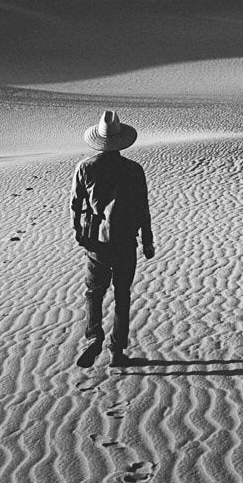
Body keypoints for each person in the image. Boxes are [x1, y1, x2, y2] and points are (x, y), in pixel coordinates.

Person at [70, 110, 155, 367]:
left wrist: (78, 232)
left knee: (94, 293)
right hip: (126, 239)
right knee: (122, 295)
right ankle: (117, 351)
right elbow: (143, 207)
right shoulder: (133, 169)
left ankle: (94, 336)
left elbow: (76, 204)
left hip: (97, 240)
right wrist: (148, 240)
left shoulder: (85, 167)